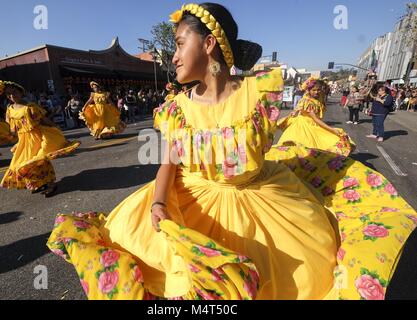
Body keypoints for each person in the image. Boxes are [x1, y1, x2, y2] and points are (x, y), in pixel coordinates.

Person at [47, 2, 339, 300]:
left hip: (261, 205)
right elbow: (168, 164)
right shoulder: (177, 109)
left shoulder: (259, 94)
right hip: (194, 201)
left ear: (209, 43)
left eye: (180, 44)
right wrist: (158, 203)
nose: (173, 57)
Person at [0, 79, 80, 197]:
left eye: (14, 92)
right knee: (22, 164)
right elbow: (13, 128)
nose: (12, 96)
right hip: (24, 140)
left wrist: (54, 127)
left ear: (21, 92)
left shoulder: (30, 107)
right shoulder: (9, 109)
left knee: (38, 161)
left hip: (36, 137)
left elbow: (43, 120)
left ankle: (51, 184)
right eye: (8, 94)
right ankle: (39, 183)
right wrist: (11, 137)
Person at [275, 77, 354, 156]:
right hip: (303, 127)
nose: (316, 92)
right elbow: (315, 119)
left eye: (318, 90)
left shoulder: (317, 100)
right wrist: (332, 130)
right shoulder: (307, 101)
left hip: (312, 125)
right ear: (308, 90)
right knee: (303, 149)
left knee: (310, 150)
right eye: (314, 90)